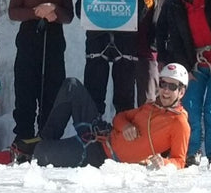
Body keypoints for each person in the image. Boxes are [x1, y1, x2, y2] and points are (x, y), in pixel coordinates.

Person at [25, 63, 190, 169]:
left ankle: (36, 148)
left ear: (181, 92)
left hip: (101, 156)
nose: (166, 90)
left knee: (40, 153)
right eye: (163, 84)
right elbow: (119, 118)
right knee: (72, 86)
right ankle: (44, 137)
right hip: (101, 133)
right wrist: (126, 126)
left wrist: (164, 163)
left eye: (172, 86)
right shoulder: (151, 107)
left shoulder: (179, 123)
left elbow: (179, 160)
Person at [156, 0, 211, 167]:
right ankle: (191, 150)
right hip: (192, 64)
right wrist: (172, 62)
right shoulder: (173, 2)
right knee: (191, 107)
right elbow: (163, 33)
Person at [8, 0, 74, 143]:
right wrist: (38, 13)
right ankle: (23, 138)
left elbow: (69, 16)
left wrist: (54, 9)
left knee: (52, 91)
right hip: (29, 41)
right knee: (25, 90)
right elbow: (13, 12)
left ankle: (48, 137)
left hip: (54, 43)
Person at [75, 0, 137, 116]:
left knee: (125, 93)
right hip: (97, 40)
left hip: (124, 42)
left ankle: (123, 132)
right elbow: (81, 13)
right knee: (94, 90)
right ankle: (93, 130)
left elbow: (139, 14)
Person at [132, 0, 167, 105]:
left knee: (148, 97)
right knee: (125, 96)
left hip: (149, 52)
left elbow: (165, 25)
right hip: (128, 50)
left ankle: (147, 129)